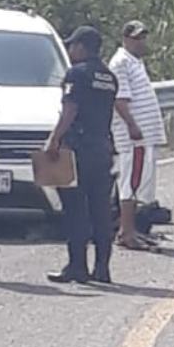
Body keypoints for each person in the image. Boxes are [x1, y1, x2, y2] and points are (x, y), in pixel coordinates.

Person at [44, 26, 118, 284]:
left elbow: (70, 110)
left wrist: (54, 140)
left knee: (75, 208)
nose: (70, 50)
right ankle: (102, 267)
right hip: (102, 147)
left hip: (78, 149)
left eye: (73, 45)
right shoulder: (109, 77)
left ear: (82, 47)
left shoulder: (77, 75)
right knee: (100, 208)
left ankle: (77, 266)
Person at [109, 20, 167, 251]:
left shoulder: (135, 62)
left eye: (143, 37)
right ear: (125, 39)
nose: (141, 42)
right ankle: (126, 232)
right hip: (134, 137)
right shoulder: (121, 62)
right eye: (136, 38)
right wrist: (132, 126)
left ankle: (131, 230)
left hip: (144, 136)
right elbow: (120, 99)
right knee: (130, 184)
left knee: (139, 183)